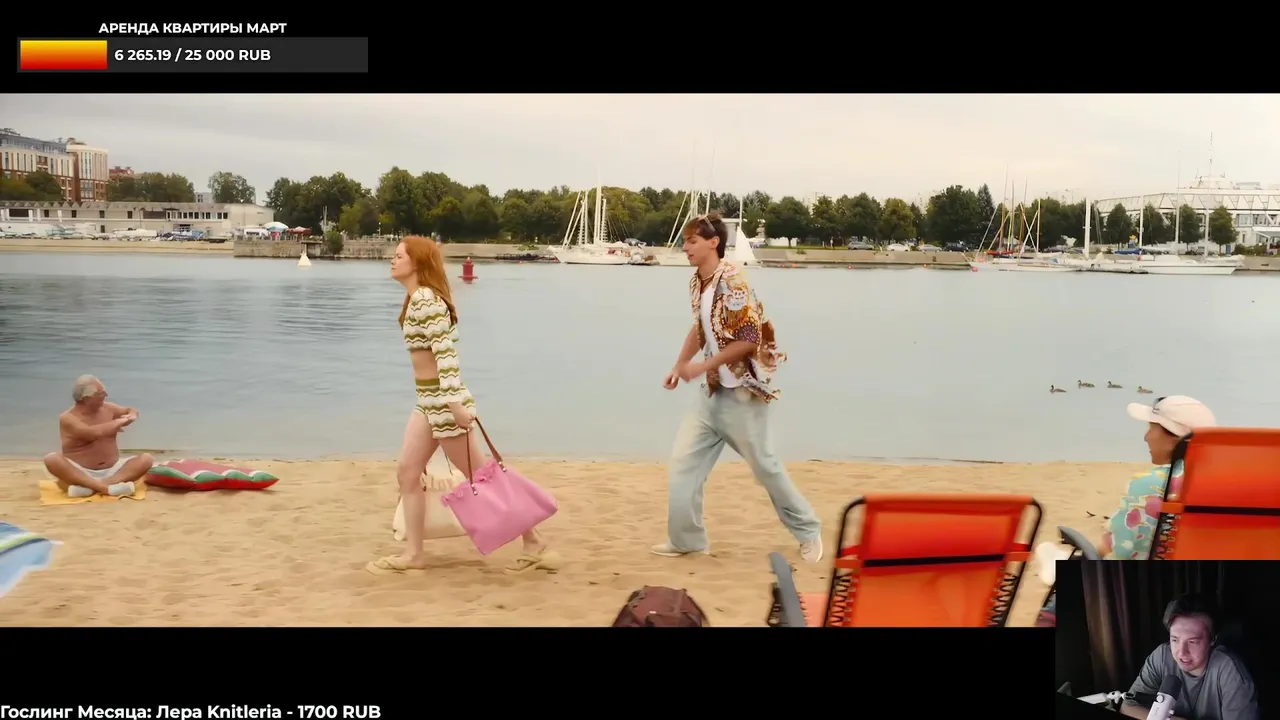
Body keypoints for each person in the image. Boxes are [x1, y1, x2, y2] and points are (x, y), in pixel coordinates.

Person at [368, 235, 557, 576]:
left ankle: (534, 540)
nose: (392, 261)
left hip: (443, 402)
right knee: (408, 473)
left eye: (399, 256)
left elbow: (446, 356)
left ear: (417, 263)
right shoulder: (415, 299)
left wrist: (454, 403)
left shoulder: (425, 300)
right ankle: (414, 553)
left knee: (483, 479)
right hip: (428, 402)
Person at [652, 212, 823, 563]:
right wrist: (679, 365)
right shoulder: (697, 282)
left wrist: (702, 366)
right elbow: (700, 328)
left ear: (713, 243)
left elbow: (749, 339)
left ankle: (808, 531)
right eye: (684, 241)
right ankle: (687, 541)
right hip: (711, 396)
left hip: (743, 395)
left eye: (692, 241)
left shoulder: (733, 282)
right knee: (683, 466)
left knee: (765, 468)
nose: (685, 248)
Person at [1100, 395, 1217, 560]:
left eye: (1151, 428)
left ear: (1174, 440)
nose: (1145, 437)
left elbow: (1118, 551)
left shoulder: (1147, 485)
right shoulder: (1228, 486)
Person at [1119, 594, 1258, 720]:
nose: (1182, 653)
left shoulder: (1230, 670)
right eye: (1175, 640)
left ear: (1212, 640)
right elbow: (1128, 707)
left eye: (1192, 642)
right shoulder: (1161, 656)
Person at [43, 375, 153, 498]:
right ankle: (106, 489)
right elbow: (91, 433)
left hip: (113, 471)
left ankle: (93, 487)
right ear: (87, 399)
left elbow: (129, 410)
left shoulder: (108, 408)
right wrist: (118, 422)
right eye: (101, 393)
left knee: (146, 459)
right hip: (81, 472)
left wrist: (131, 415)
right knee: (51, 459)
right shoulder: (68, 418)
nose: (106, 395)